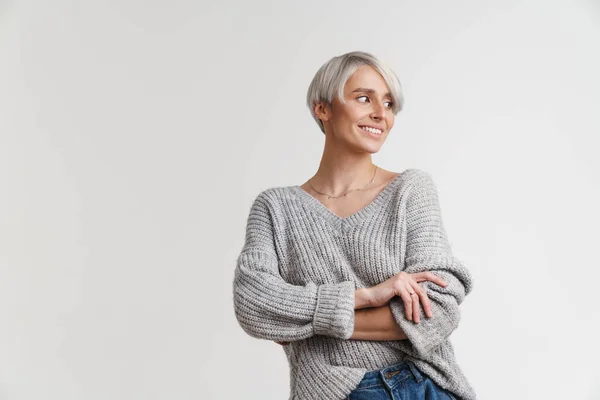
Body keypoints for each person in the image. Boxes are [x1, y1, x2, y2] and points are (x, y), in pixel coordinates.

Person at [232, 51, 475, 400]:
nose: (381, 114)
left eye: (389, 103)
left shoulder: (410, 190)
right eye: (364, 98)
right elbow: (253, 304)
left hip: (426, 386)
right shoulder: (275, 209)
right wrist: (365, 297)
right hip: (338, 390)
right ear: (323, 108)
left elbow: (437, 311)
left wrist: (308, 322)